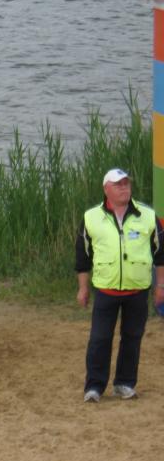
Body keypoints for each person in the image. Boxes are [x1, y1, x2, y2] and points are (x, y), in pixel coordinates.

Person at [76, 168, 164, 402]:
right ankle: (94, 387)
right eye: (118, 184)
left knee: (132, 337)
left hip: (138, 290)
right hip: (106, 289)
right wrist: (83, 288)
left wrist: (161, 286)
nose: (124, 187)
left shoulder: (148, 216)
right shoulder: (91, 217)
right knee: (99, 339)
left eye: (126, 183)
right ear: (106, 189)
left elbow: (161, 254)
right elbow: (83, 256)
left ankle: (124, 383)